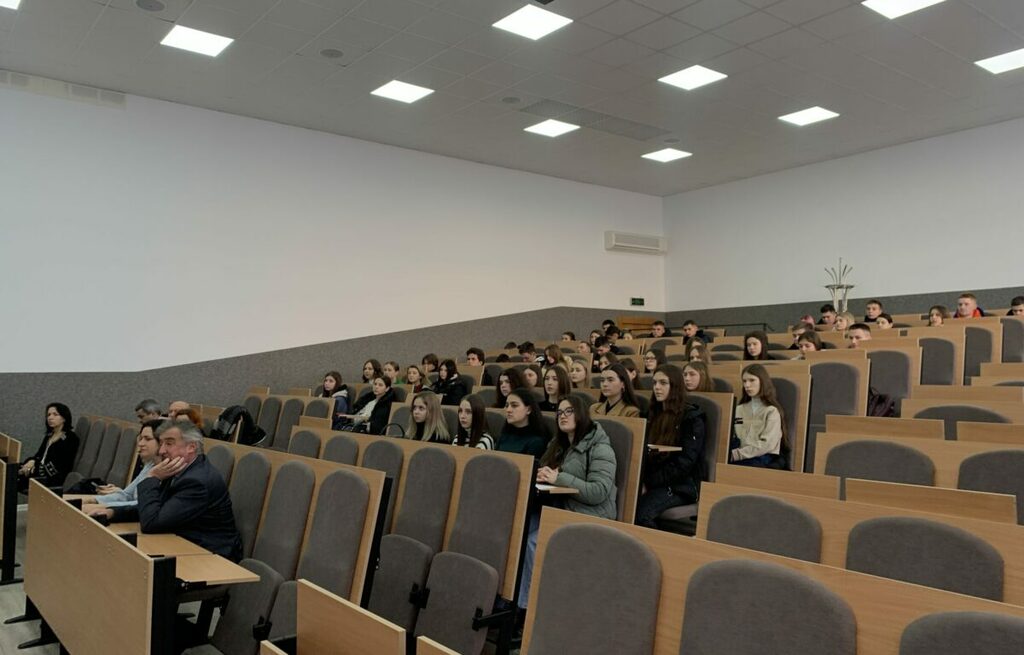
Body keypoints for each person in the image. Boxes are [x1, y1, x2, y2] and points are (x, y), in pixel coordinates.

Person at [519, 395, 618, 609]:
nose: (562, 416)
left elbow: (599, 492)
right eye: (559, 412)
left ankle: (525, 608)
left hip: (589, 515)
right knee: (519, 532)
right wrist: (542, 475)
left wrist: (558, 478)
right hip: (559, 509)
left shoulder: (600, 448)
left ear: (581, 414)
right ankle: (510, 600)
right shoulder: (557, 444)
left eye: (569, 411)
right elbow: (548, 472)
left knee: (533, 542)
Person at [110, 421, 242, 561]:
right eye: (161, 443)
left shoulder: (197, 482)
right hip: (183, 543)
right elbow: (157, 508)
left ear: (191, 447)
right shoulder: (179, 468)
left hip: (210, 555)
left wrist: (152, 478)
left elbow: (151, 523)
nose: (161, 451)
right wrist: (113, 513)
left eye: (169, 443)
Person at [636, 365, 706, 529]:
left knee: (641, 515)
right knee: (623, 504)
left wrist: (649, 483)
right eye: (654, 383)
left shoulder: (691, 419)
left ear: (675, 386)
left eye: (663, 383)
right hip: (651, 480)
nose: (657, 387)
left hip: (679, 485)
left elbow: (684, 463)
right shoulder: (650, 414)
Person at [82, 419, 164, 519]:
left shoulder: (167, 471)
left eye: (147, 439)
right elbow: (126, 495)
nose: (140, 443)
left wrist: (103, 506)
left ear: (161, 442)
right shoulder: (150, 465)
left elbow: (142, 504)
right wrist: (94, 500)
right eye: (141, 438)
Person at [729, 364, 788, 469]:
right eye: (744, 381)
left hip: (762, 458)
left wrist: (736, 454)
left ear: (762, 382)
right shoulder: (739, 409)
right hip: (739, 456)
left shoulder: (771, 411)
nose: (747, 385)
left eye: (752, 380)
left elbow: (767, 444)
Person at [18, 402, 79, 492]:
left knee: (13, 478)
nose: (50, 418)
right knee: (11, 470)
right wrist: (31, 461)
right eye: (48, 415)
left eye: (55, 414)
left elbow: (60, 466)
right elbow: (38, 455)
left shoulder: (70, 438)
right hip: (39, 473)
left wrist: (34, 468)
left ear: (64, 418)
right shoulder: (49, 435)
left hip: (51, 479)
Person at [496, 389, 548, 460]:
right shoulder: (503, 436)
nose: (508, 410)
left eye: (514, 405)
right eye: (507, 405)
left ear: (528, 410)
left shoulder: (536, 442)